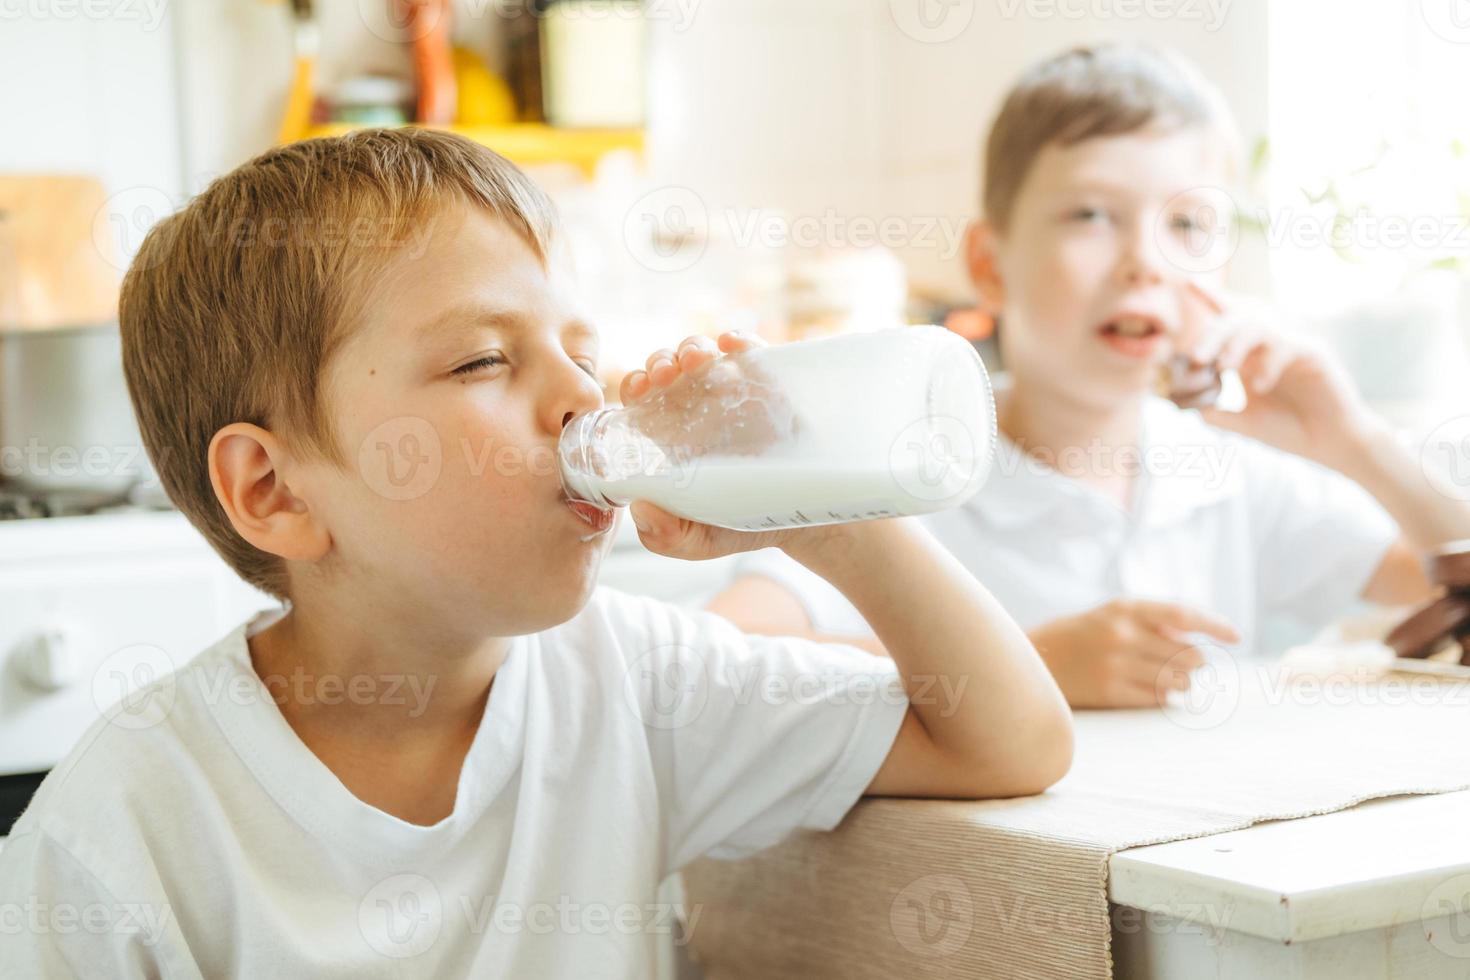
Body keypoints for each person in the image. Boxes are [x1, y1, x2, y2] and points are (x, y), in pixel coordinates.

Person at [0, 129, 1071, 978]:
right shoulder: (124, 826)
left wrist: (828, 517)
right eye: (481, 360)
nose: (582, 400)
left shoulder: (637, 683)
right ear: (275, 492)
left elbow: (1008, 740)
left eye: (582, 350)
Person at [710, 44, 1469, 709]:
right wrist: (1037, 663)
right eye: (1091, 216)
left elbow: (1454, 591)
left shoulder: (1228, 477)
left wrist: (1353, 439)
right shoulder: (902, 476)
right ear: (987, 265)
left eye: (1187, 225)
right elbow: (727, 660)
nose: (1146, 260)